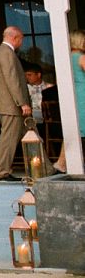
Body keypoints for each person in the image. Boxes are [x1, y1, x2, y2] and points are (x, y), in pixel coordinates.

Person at [0, 25, 32, 182]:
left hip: (7, 104)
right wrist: (22, 102)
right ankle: (1, 171)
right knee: (9, 138)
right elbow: (12, 80)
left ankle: (44, 167)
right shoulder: (6, 53)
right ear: (14, 38)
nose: (21, 43)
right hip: (11, 105)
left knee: (30, 133)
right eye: (21, 39)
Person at [55, 29, 85, 173]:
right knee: (79, 129)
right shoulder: (81, 57)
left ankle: (62, 162)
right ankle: (62, 162)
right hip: (83, 95)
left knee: (74, 128)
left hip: (74, 95)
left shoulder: (66, 58)